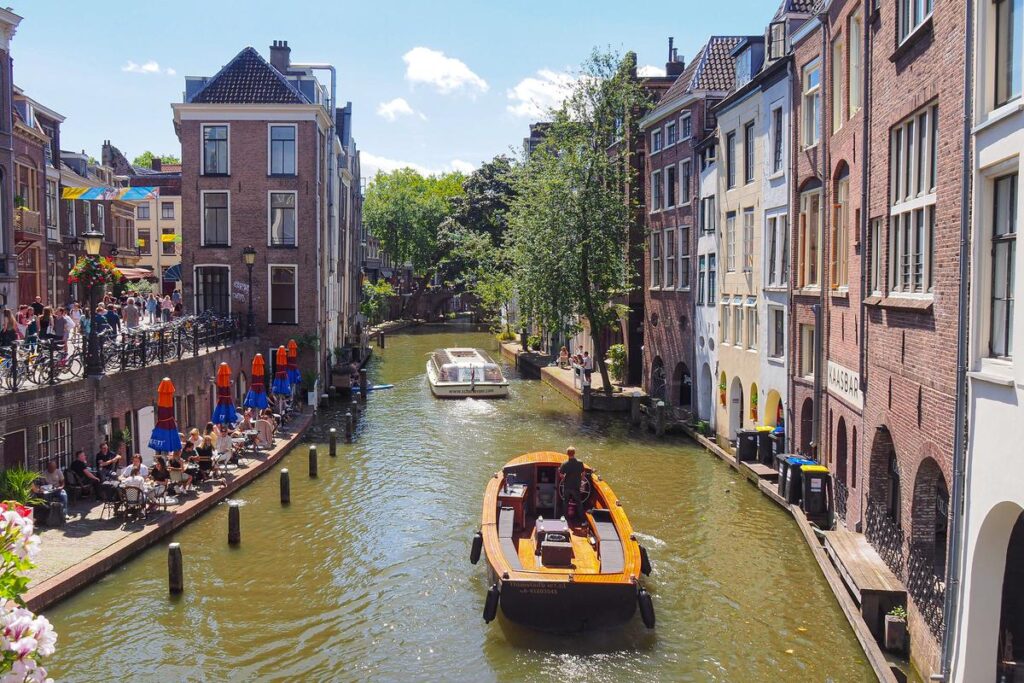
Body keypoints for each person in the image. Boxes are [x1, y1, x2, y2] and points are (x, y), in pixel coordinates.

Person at [558, 446, 586, 520]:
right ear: (574, 453)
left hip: (567, 486)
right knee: (579, 503)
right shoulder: (580, 463)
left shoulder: (564, 464)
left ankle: (564, 518)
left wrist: (564, 479)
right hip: (576, 486)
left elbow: (560, 474)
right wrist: (581, 479)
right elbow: (583, 473)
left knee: (565, 502)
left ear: (567, 454)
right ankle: (583, 520)